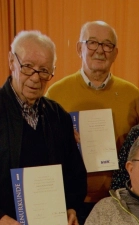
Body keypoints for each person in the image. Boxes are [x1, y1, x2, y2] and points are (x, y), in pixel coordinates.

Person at [45, 21, 139, 223]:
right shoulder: (55, 94)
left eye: (107, 44)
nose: (100, 50)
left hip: (121, 200)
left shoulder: (132, 95)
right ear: (79, 48)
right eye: (92, 43)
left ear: (115, 53)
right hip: (71, 202)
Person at [0, 30, 87, 225]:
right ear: (11, 61)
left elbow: (75, 173)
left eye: (44, 70)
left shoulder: (58, 115)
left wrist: (72, 206)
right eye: (28, 67)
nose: (35, 77)